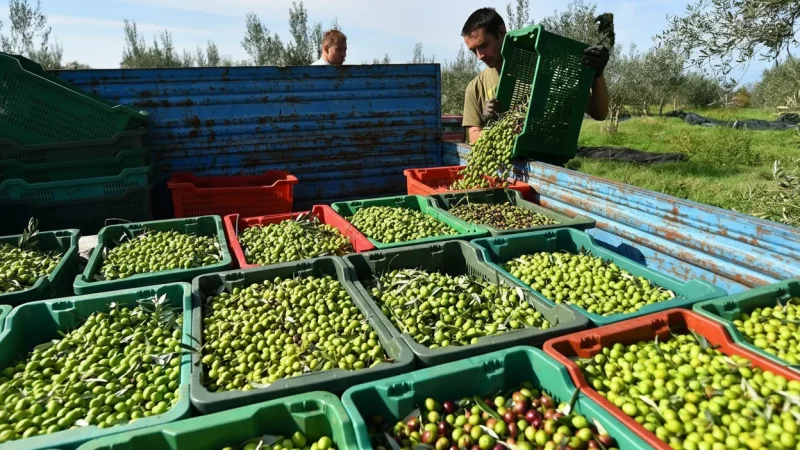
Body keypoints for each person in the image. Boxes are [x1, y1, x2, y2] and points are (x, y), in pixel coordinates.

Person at [460, 8, 610, 144]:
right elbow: (473, 138)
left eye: (483, 45)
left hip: (547, 159)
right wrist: (488, 122)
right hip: (503, 165)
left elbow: (599, 113)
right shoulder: (475, 87)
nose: (479, 56)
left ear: (501, 32)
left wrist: (597, 74)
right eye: (474, 51)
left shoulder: (545, 68)